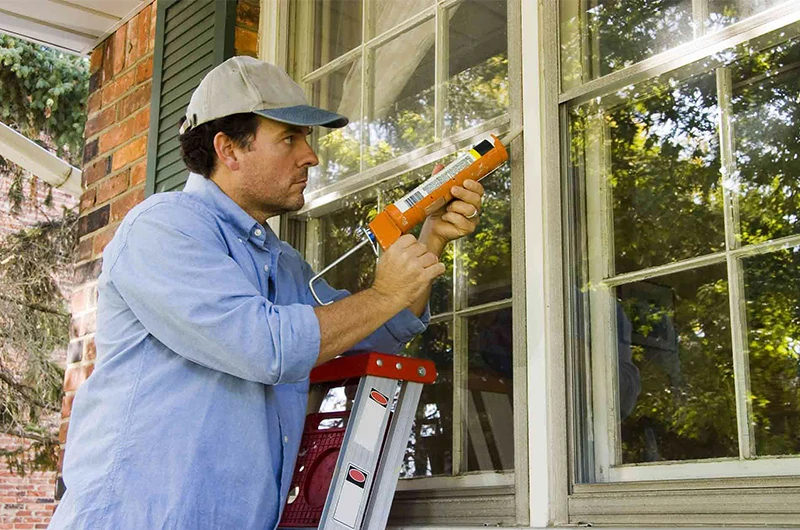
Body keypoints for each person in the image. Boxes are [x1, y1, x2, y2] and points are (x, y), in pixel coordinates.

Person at [49, 56, 485, 530]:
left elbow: (371, 335)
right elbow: (265, 345)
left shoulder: (282, 262)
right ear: (229, 150)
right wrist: (383, 293)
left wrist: (430, 241)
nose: (311, 156)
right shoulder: (164, 228)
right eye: (289, 138)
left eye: (307, 139)